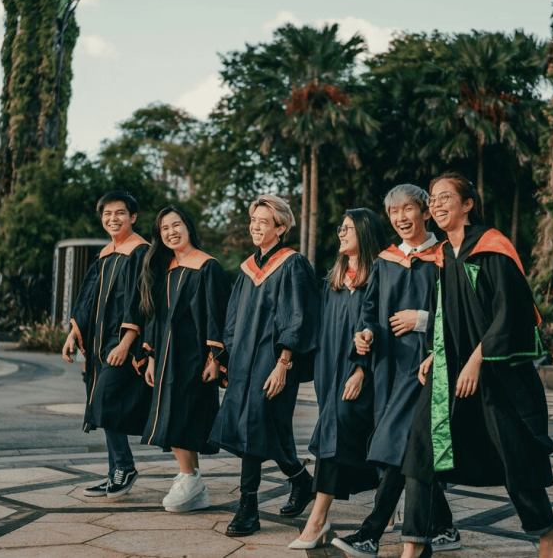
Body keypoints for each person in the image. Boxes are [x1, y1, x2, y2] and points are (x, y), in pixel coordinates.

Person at [401, 171, 553, 558]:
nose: (437, 205)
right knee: (420, 452)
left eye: (446, 198)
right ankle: (413, 548)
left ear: (468, 204)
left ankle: (548, 535)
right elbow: (442, 313)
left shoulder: (492, 248)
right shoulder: (442, 256)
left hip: (495, 374)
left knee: (515, 457)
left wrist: (477, 359)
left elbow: (512, 312)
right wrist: (433, 352)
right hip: (447, 371)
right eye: (434, 199)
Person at [332, 185, 459, 558]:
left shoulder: (445, 256)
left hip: (425, 368)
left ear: (424, 212)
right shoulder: (387, 261)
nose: (401, 218)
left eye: (407, 209)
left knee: (397, 447)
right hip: (390, 367)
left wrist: (422, 319)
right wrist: (366, 333)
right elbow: (369, 309)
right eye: (393, 212)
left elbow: (460, 313)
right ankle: (444, 527)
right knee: (409, 451)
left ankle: (370, 534)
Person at [209, 194, 320, 538]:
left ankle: (248, 507)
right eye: (253, 220)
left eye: (264, 221)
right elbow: (233, 318)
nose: (256, 227)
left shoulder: (293, 264)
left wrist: (283, 363)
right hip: (244, 361)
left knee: (255, 426)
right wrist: (223, 360)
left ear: (281, 227)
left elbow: (297, 317)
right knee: (262, 429)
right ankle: (302, 480)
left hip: (272, 362)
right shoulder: (247, 269)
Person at [289, 208, 386, 550]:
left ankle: (318, 518)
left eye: (347, 228)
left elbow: (376, 328)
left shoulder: (380, 276)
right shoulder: (335, 277)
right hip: (330, 372)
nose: (340, 234)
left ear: (365, 231)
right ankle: (435, 519)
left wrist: (360, 368)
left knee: (335, 432)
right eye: (339, 228)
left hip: (363, 373)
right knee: (379, 448)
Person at [139, 205, 231, 513]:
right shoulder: (165, 268)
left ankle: (190, 477)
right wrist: (150, 356)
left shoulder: (207, 266)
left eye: (176, 225)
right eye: (164, 228)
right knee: (171, 414)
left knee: (186, 414)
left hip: (194, 354)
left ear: (188, 227)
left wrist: (215, 358)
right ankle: (191, 479)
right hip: (167, 355)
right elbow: (156, 316)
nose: (170, 232)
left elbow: (217, 314)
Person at [62, 191, 151, 498]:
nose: (113, 219)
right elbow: (87, 299)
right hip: (100, 346)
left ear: (133, 217)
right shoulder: (105, 254)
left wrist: (127, 342)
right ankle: (115, 471)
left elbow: (141, 302)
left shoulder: (141, 252)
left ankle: (124, 466)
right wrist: (74, 333)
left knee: (106, 402)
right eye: (107, 214)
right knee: (102, 406)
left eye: (120, 213)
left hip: (121, 345)